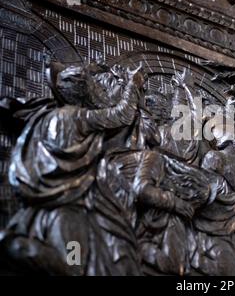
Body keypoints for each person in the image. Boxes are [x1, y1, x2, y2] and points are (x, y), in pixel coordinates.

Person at [0, 60, 144, 275]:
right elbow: (121, 115)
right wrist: (133, 83)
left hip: (42, 205)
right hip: (69, 209)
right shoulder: (80, 117)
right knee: (75, 262)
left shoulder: (43, 117)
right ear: (84, 91)